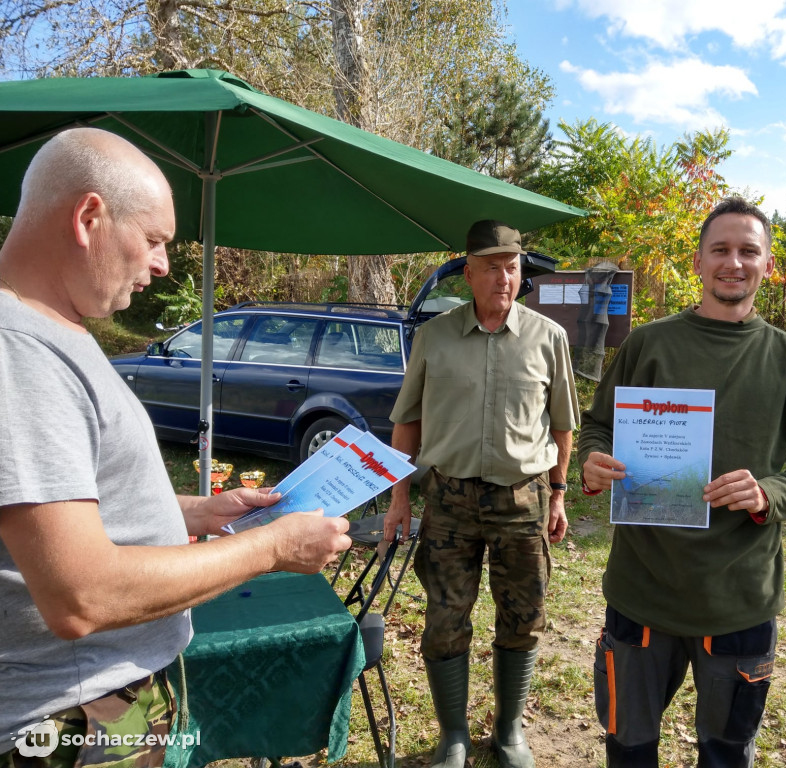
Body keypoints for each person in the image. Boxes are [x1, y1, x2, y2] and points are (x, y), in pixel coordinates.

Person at [0, 128, 351, 768]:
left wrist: (194, 511)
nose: (162, 265)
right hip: (64, 723)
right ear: (88, 217)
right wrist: (271, 548)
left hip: (96, 700)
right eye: (155, 239)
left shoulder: (52, 330)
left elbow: (55, 508)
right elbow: (82, 596)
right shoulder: (19, 352)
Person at [578, 197, 786, 768]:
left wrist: (769, 493)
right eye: (720, 249)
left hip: (737, 597)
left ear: (768, 264)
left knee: (725, 754)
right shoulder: (649, 344)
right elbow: (599, 425)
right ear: (698, 261)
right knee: (629, 748)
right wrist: (592, 461)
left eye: (749, 251)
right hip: (644, 589)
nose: (734, 262)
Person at [383, 220, 579, 768]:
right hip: (449, 501)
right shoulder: (435, 336)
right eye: (491, 268)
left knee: (523, 615)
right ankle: (453, 736)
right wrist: (399, 499)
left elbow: (563, 424)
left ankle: (510, 730)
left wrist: (558, 494)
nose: (503, 278)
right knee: (446, 618)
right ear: (467, 274)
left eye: (511, 267)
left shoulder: (548, 338)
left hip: (523, 500)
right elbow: (407, 421)